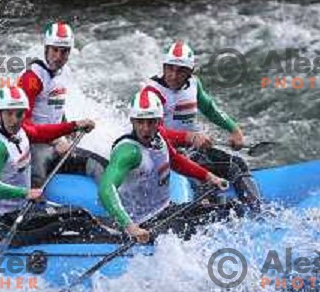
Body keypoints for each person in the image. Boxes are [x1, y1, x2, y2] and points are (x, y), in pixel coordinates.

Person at [99, 90, 239, 244]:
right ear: (132, 120)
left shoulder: (159, 136)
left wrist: (210, 177)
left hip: (165, 210)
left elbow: (175, 161)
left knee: (228, 210)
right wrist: (130, 227)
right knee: (202, 232)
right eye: (140, 122)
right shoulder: (128, 152)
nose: (145, 128)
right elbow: (106, 188)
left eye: (151, 122)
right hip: (143, 224)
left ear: (159, 121)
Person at [0, 86, 101, 244]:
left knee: (71, 214)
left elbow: (40, 133)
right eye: (8, 114)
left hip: (19, 210)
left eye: (19, 114)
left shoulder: (18, 131)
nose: (14, 120)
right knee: (80, 216)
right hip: (3, 224)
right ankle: (112, 250)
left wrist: (74, 125)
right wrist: (25, 193)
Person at [140, 40, 261, 206]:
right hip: (162, 154)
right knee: (204, 187)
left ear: (191, 71)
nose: (173, 75)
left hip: (190, 151)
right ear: (164, 66)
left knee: (238, 165)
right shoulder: (151, 93)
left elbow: (210, 109)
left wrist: (234, 129)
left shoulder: (194, 84)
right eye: (170, 68)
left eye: (181, 71)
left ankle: (257, 210)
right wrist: (189, 137)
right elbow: (151, 133)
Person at [19, 22, 101, 186]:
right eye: (54, 50)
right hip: (31, 146)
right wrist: (66, 131)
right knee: (37, 179)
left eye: (64, 52)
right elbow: (24, 128)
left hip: (53, 140)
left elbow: (55, 110)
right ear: (46, 48)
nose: (58, 56)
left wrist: (67, 134)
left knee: (98, 165)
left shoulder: (63, 73)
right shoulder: (32, 78)